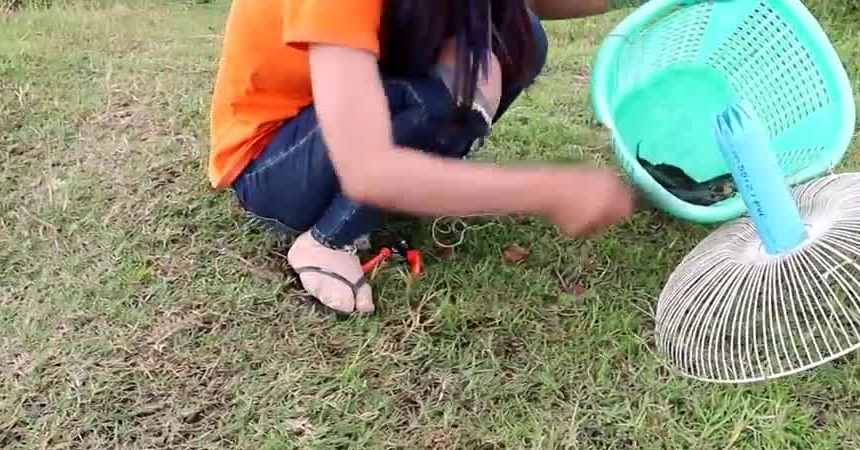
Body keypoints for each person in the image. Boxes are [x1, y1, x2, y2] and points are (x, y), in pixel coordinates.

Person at [208, 1, 641, 316]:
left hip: (340, 129)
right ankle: (325, 242)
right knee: (449, 97)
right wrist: (553, 190)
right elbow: (367, 170)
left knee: (518, 32)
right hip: (271, 168)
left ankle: (419, 177)